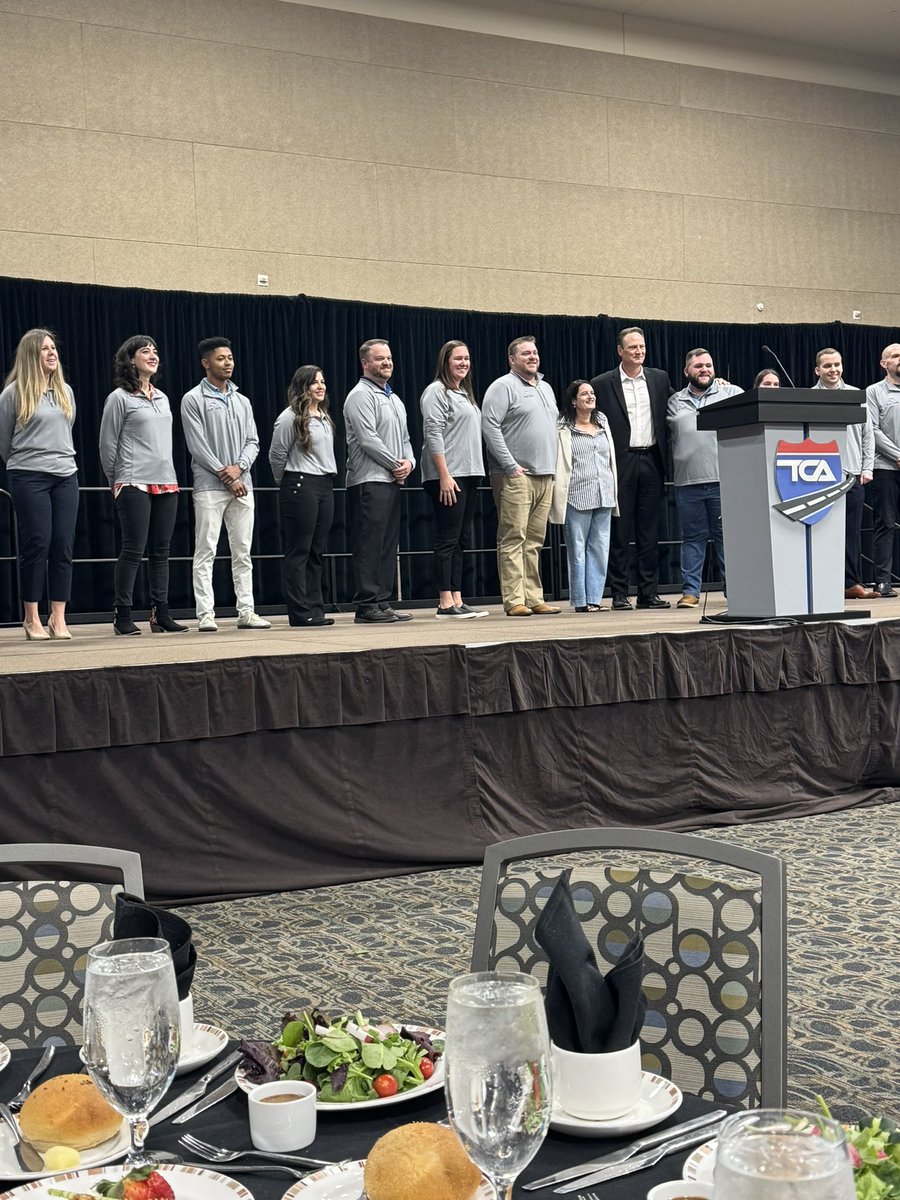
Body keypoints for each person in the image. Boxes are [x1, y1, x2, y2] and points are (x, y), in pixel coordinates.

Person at [98, 335, 187, 636]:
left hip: (166, 481)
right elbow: (107, 446)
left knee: (161, 551)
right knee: (133, 549)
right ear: (130, 359)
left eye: (155, 351)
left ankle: (160, 613)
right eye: (145, 351)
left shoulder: (162, 398)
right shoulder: (119, 398)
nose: (152, 355)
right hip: (133, 480)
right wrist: (117, 483)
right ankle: (122, 614)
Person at [181, 337, 270, 632]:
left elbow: (253, 441)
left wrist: (240, 468)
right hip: (210, 486)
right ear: (206, 363)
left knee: (242, 551)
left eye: (230, 357)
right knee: (206, 550)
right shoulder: (192, 399)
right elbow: (198, 446)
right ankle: (206, 614)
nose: (228, 362)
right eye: (221, 358)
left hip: (243, 486)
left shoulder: (242, 400)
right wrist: (226, 475)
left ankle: (246, 611)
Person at [0, 328, 79, 640]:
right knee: (38, 542)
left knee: (63, 543)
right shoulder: (13, 393)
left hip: (65, 475)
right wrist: (26, 464)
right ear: (31, 356)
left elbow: (66, 430)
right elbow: (4, 442)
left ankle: (58, 617)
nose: (52, 354)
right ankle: (31, 617)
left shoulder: (65, 393)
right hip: (28, 475)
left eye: (53, 348)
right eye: (45, 349)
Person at [590, 327, 674, 611]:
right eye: (632, 348)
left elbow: (678, 406)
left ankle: (649, 593)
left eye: (642, 347)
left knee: (650, 531)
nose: (639, 352)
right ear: (620, 351)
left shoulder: (659, 379)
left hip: (652, 459)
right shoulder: (602, 384)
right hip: (620, 462)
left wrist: (718, 387)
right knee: (620, 530)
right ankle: (619, 593)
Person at [482, 336, 559, 617]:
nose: (532, 357)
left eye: (535, 352)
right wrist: (509, 464)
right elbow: (489, 426)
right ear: (512, 360)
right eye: (525, 353)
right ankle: (514, 599)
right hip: (515, 475)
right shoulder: (503, 387)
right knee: (513, 537)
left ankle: (533, 596)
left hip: (544, 474)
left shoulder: (546, 388)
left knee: (535, 541)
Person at [343, 338, 415, 624]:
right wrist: (395, 465)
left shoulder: (393, 398)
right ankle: (366, 604)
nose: (386, 363)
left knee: (387, 543)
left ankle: (382, 601)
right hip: (369, 480)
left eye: (389, 358)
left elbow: (407, 438)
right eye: (379, 358)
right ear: (365, 363)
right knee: (369, 543)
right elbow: (367, 440)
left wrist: (408, 462)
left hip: (392, 479)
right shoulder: (360, 395)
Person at [667, 348, 742, 608]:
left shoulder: (731, 394)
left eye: (708, 365)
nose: (705, 370)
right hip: (687, 483)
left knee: (727, 539)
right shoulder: (673, 401)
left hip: (724, 481)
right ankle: (691, 592)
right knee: (692, 539)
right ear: (687, 371)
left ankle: (736, 591)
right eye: (698, 366)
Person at [420, 341, 488, 619]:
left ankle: (457, 597)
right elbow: (433, 433)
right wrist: (444, 475)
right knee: (447, 539)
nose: (463, 363)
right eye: (458, 358)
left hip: (469, 473)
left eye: (467, 358)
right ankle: (444, 602)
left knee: (461, 538)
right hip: (448, 475)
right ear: (445, 361)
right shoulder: (437, 392)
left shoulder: (465, 393)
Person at [268, 365, 337, 627]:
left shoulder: (323, 416)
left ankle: (315, 609)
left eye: (322, 381)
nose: (320, 386)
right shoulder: (290, 417)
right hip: (300, 483)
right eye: (314, 382)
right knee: (299, 551)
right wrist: (287, 482)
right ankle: (300, 612)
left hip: (324, 484)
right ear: (302, 386)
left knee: (316, 552)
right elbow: (276, 456)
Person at [812, 348, 876, 600]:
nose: (833, 370)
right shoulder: (806, 398)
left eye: (837, 364)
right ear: (817, 370)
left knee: (850, 533)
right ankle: (821, 583)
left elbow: (867, 435)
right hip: (819, 478)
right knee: (821, 533)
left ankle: (851, 584)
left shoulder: (856, 396)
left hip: (851, 475)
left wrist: (867, 468)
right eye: (827, 366)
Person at [550, 380, 618, 612]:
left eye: (592, 393)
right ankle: (580, 601)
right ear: (573, 400)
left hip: (604, 493)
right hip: (576, 494)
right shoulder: (562, 427)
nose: (590, 397)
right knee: (577, 549)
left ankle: (594, 600)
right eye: (584, 394)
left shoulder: (603, 422)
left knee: (600, 549)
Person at [866, 343, 900, 598]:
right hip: (886, 467)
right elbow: (872, 431)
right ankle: (882, 581)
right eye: (895, 356)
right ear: (884, 363)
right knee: (885, 523)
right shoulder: (874, 392)